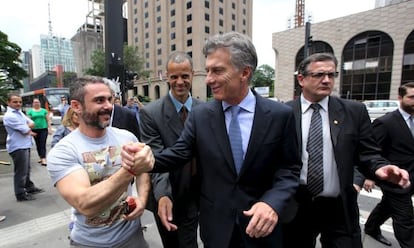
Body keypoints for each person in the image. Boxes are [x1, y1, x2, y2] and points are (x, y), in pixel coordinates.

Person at [122, 31, 303, 248]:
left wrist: (272, 204)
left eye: (217, 71)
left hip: (262, 228)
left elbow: (289, 169)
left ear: (244, 72)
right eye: (207, 71)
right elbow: (178, 153)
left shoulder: (279, 115)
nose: (208, 79)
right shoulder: (201, 116)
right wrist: (147, 159)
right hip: (217, 229)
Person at [282, 52, 411, 248]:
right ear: (301, 79)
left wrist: (379, 168)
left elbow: (368, 153)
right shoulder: (283, 114)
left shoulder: (354, 111)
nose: (327, 80)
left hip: (339, 206)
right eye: (319, 75)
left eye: (332, 75)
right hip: (297, 205)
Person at [46, 76, 154, 247]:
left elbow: (143, 172)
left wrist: (141, 198)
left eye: (110, 99)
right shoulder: (63, 151)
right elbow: (86, 204)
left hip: (133, 237)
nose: (109, 106)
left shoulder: (126, 137)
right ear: (76, 106)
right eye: (99, 100)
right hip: (90, 243)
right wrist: (130, 170)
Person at [140, 51, 203, 248]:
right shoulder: (150, 113)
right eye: (174, 76)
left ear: (192, 75)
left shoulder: (206, 111)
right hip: (168, 194)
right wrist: (163, 195)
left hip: (199, 194)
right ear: (167, 76)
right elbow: (157, 158)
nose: (180, 82)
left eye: (185, 76)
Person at [364, 82, 414, 248]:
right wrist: (368, 176)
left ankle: (371, 227)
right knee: (405, 218)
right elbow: (370, 151)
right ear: (400, 98)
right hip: (393, 179)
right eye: (412, 97)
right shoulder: (385, 122)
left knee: (387, 206)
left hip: (412, 176)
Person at [3, 93, 45, 201]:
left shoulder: (19, 112)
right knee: (21, 171)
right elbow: (26, 129)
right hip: (17, 146)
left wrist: (26, 127)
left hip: (25, 144)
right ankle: (20, 194)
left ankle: (29, 187)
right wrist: (27, 128)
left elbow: (31, 122)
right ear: (9, 102)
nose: (18, 104)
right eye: (15, 102)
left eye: (20, 102)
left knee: (26, 169)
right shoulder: (10, 116)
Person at [27, 98, 51, 166]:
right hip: (34, 129)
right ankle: (40, 157)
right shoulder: (30, 111)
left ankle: (44, 158)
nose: (36, 103)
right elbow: (28, 121)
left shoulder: (44, 111)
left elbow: (48, 119)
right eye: (35, 102)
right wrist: (29, 130)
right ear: (33, 104)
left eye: (37, 102)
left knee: (42, 143)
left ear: (40, 103)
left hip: (43, 129)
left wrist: (50, 128)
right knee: (38, 144)